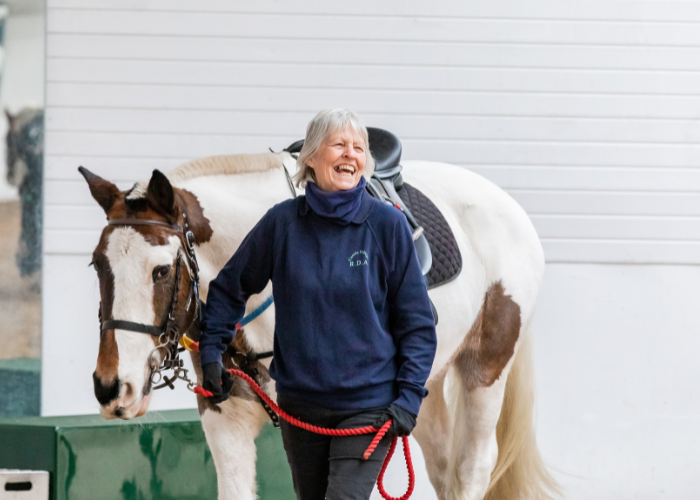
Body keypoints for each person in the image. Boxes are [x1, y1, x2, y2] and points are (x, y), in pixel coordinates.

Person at [199, 109, 437, 500]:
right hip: (300, 408)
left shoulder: (387, 226)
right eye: (339, 144)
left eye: (358, 148)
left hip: (368, 408)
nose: (351, 154)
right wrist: (211, 350)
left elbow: (417, 323)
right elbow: (229, 287)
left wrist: (409, 397)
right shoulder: (282, 224)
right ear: (310, 156)